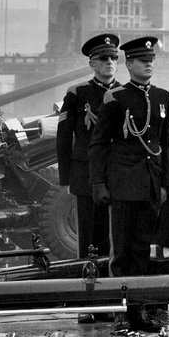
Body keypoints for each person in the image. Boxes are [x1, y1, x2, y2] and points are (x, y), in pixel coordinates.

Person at [87, 35, 169, 332]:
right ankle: (121, 312)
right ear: (129, 64)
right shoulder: (117, 97)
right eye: (143, 61)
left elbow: (165, 145)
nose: (149, 66)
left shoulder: (163, 98)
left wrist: (164, 184)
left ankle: (140, 311)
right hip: (122, 185)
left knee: (141, 252)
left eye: (151, 61)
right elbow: (98, 145)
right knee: (121, 253)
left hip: (149, 185)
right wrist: (99, 184)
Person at [56, 32, 120, 261]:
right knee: (87, 239)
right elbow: (63, 138)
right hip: (84, 174)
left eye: (114, 58)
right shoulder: (77, 93)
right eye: (103, 58)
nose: (109, 63)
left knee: (112, 236)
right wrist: (66, 178)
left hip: (114, 173)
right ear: (92, 63)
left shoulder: (123, 93)